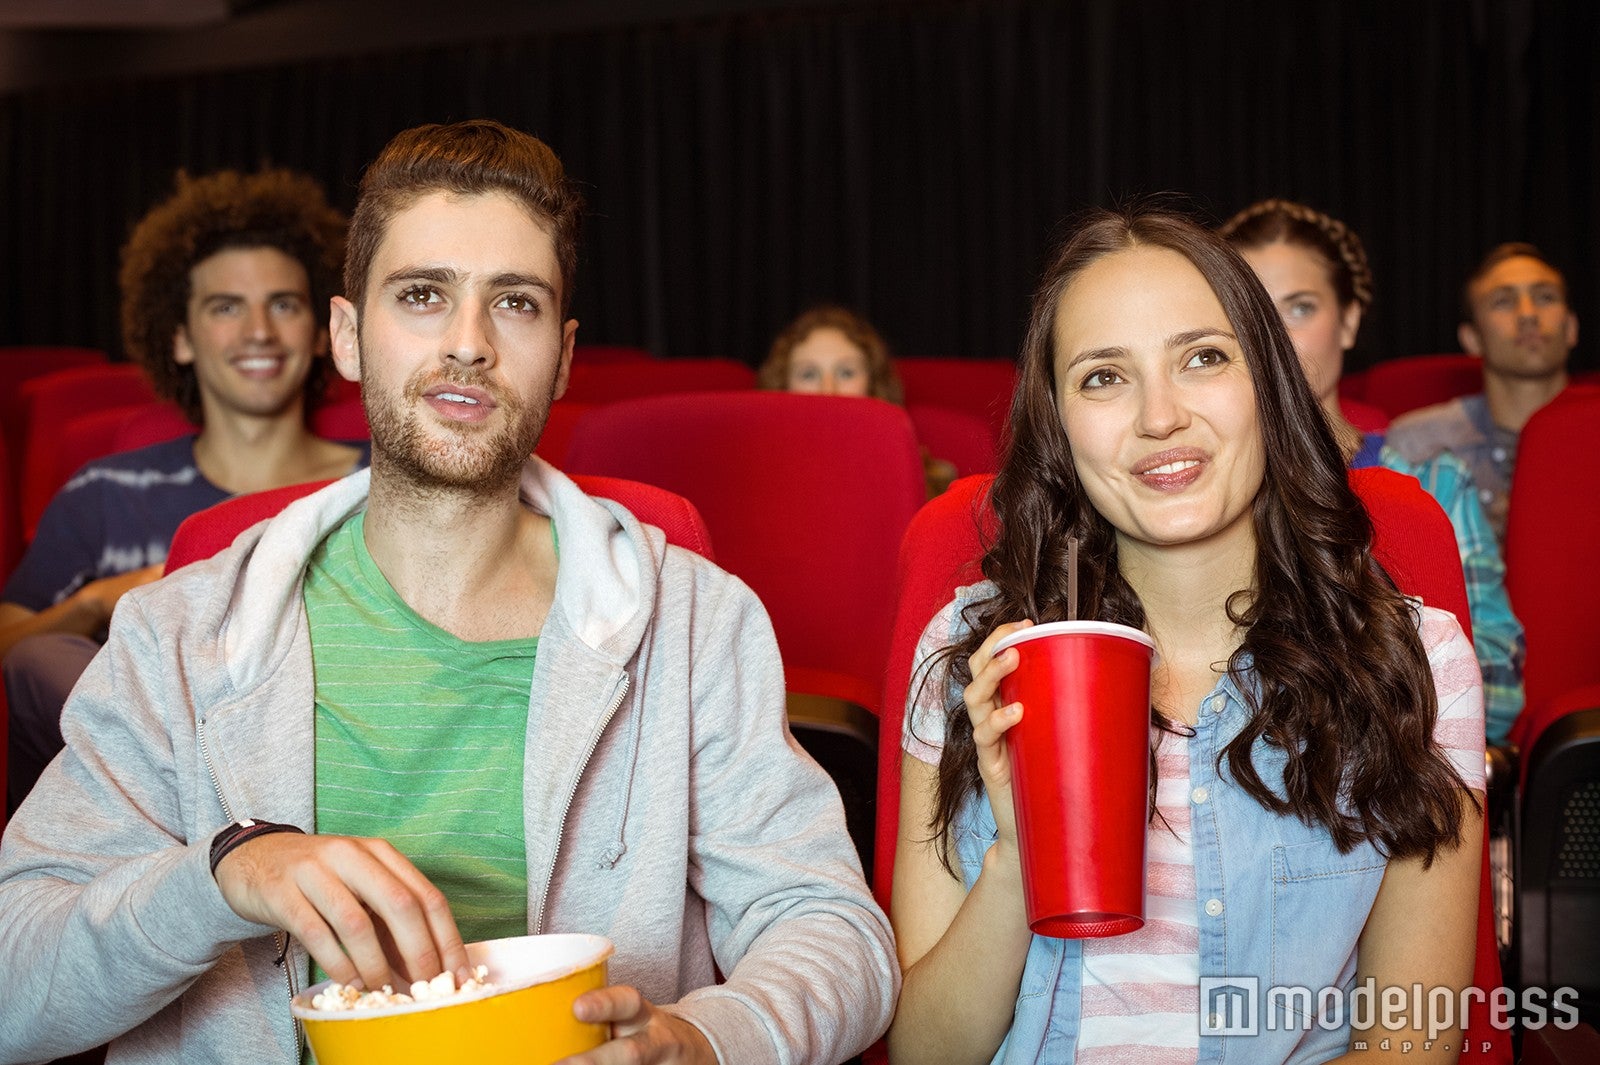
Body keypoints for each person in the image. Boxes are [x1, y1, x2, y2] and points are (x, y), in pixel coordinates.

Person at [0, 119, 895, 1064]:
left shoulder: (696, 622)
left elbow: (837, 929)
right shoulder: (176, 635)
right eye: (423, 295)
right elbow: (14, 987)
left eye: (515, 303)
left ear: (564, 353)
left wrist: (705, 1040)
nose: (468, 343)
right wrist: (224, 876)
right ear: (346, 335)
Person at [889, 207, 1483, 1064]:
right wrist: (1021, 851)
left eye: (1203, 357)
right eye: (1103, 378)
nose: (1159, 416)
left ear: (1268, 385)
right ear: (1057, 420)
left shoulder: (1419, 665)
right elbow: (924, 1053)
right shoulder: (972, 654)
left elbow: (1411, 1044)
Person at [1, 167, 367, 816]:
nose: (259, 330)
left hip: (339, 768)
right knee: (40, 655)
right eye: (226, 307)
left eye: (284, 304)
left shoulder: (379, 486)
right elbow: (14, 651)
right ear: (179, 338)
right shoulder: (105, 495)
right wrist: (98, 602)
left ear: (322, 334)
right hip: (148, 812)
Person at [1221, 198, 1525, 743]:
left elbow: (1497, 688)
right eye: (1253, 313)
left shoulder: (1435, 486)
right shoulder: (1196, 496)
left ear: (1349, 320)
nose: (1274, 337)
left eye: (1300, 307)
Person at [1385, 242, 1580, 542]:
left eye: (1545, 297)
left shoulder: (1591, 438)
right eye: (1503, 301)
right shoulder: (1418, 445)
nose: (1528, 314)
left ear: (1571, 328)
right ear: (1472, 338)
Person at [760, 304, 959, 495]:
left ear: (873, 385)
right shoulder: (754, 472)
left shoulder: (924, 477)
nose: (828, 390)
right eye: (808, 375)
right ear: (782, 387)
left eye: (846, 373)